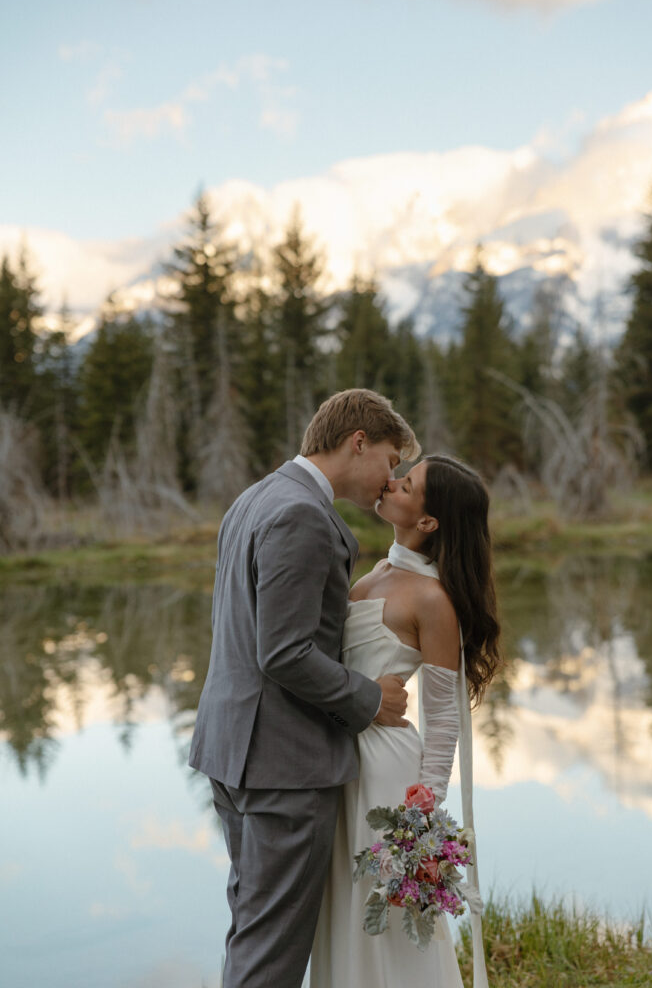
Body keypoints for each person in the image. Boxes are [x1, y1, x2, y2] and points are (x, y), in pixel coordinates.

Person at [189, 389, 421, 988]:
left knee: (254, 929)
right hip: (283, 765)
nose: (390, 478)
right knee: (272, 951)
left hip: (235, 751)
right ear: (359, 441)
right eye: (391, 461)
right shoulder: (301, 515)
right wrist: (372, 700)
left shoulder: (256, 498)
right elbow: (284, 652)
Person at [306, 454, 501, 988]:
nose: (390, 482)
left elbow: (442, 721)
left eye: (406, 483)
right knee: (344, 908)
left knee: (386, 918)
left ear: (428, 522)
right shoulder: (376, 572)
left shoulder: (434, 600)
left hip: (388, 775)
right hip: (344, 757)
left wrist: (423, 817)